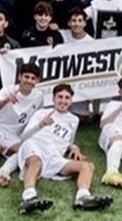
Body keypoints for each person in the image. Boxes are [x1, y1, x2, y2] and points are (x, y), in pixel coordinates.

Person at [16, 83, 113, 214]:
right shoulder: (42, 113)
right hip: (36, 145)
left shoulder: (74, 120)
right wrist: (40, 125)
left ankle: (83, 198)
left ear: (71, 101)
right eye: (60, 97)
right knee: (36, 162)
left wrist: (74, 147)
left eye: (67, 98)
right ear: (53, 99)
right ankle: (28, 198)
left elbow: (68, 141)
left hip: (54, 155)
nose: (63, 100)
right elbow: (24, 137)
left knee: (87, 166)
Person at [0, 63, 45, 186]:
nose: (29, 81)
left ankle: (2, 171)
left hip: (18, 134)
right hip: (0, 128)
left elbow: (38, 116)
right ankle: (3, 169)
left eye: (33, 78)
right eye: (26, 77)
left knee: (29, 150)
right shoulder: (8, 90)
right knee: (23, 151)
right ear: (20, 77)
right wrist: (6, 100)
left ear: (38, 80)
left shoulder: (39, 96)